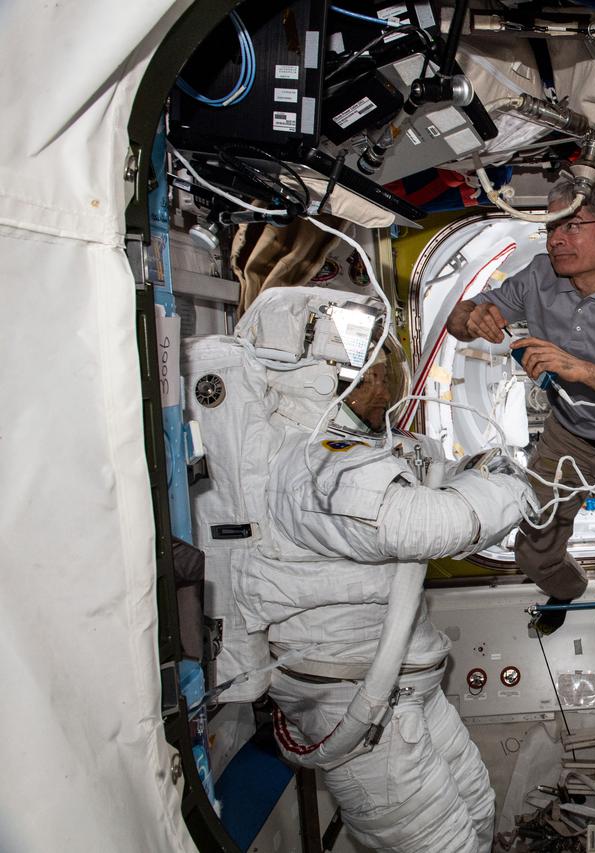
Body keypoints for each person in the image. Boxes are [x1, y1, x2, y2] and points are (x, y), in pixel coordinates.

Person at [193, 286, 534, 852]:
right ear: (324, 377)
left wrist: (471, 470)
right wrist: (514, 487)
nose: (385, 378)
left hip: (398, 685)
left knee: (477, 808)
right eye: (372, 364)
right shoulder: (306, 464)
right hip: (357, 699)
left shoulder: (344, 453)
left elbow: (415, 476)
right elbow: (417, 522)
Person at [446, 178, 595, 636]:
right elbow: (460, 319)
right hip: (566, 438)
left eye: (572, 227)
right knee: (533, 549)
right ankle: (565, 589)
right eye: (551, 227)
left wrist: (580, 369)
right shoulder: (538, 277)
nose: (556, 239)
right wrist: (469, 316)